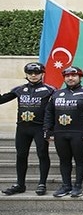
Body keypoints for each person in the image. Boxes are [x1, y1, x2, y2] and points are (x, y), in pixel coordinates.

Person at [0, 63, 55, 196]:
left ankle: (42, 183)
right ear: (26, 74)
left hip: (40, 128)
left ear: (42, 74)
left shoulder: (50, 90)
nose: (33, 75)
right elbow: (2, 100)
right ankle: (20, 184)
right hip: (23, 128)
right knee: (20, 155)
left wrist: (52, 129)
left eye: (36, 73)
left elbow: (56, 108)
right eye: (30, 73)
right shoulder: (19, 89)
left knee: (42, 154)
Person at [44, 67, 83, 198]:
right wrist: (47, 130)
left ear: (80, 77)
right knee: (64, 160)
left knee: (80, 160)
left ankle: (78, 186)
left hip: (79, 133)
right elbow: (49, 113)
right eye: (67, 76)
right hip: (60, 133)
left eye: (74, 75)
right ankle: (66, 185)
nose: (70, 78)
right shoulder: (56, 94)